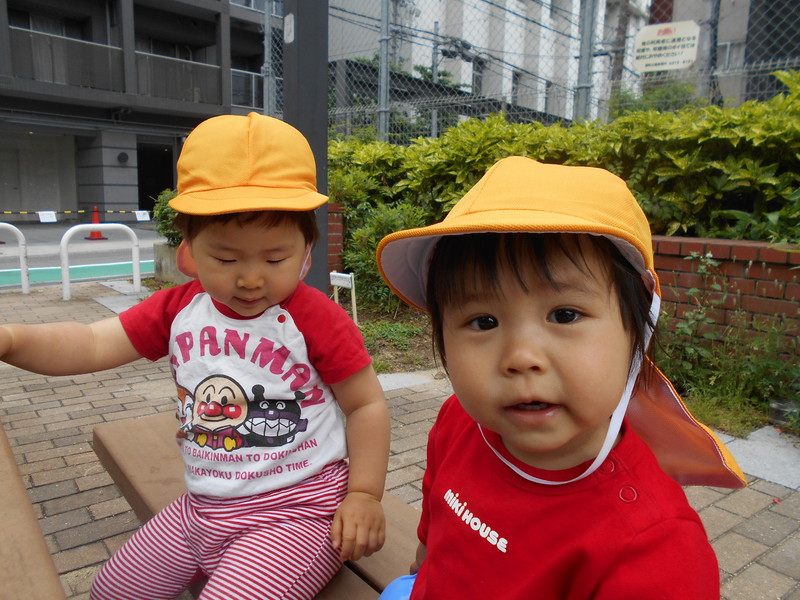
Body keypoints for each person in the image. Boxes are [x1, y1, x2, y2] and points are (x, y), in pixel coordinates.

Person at [0, 113, 390, 600]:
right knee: (112, 591)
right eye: (225, 259)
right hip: (202, 507)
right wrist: (12, 339)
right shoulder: (182, 308)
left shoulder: (315, 319)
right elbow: (92, 343)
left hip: (298, 513)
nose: (250, 278)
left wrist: (364, 494)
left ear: (306, 250)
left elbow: (366, 404)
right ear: (188, 252)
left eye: (275, 259)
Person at [375, 156, 745, 599]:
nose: (521, 357)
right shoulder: (458, 421)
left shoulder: (654, 548)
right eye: (483, 321)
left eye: (564, 314)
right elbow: (433, 532)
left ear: (638, 326)